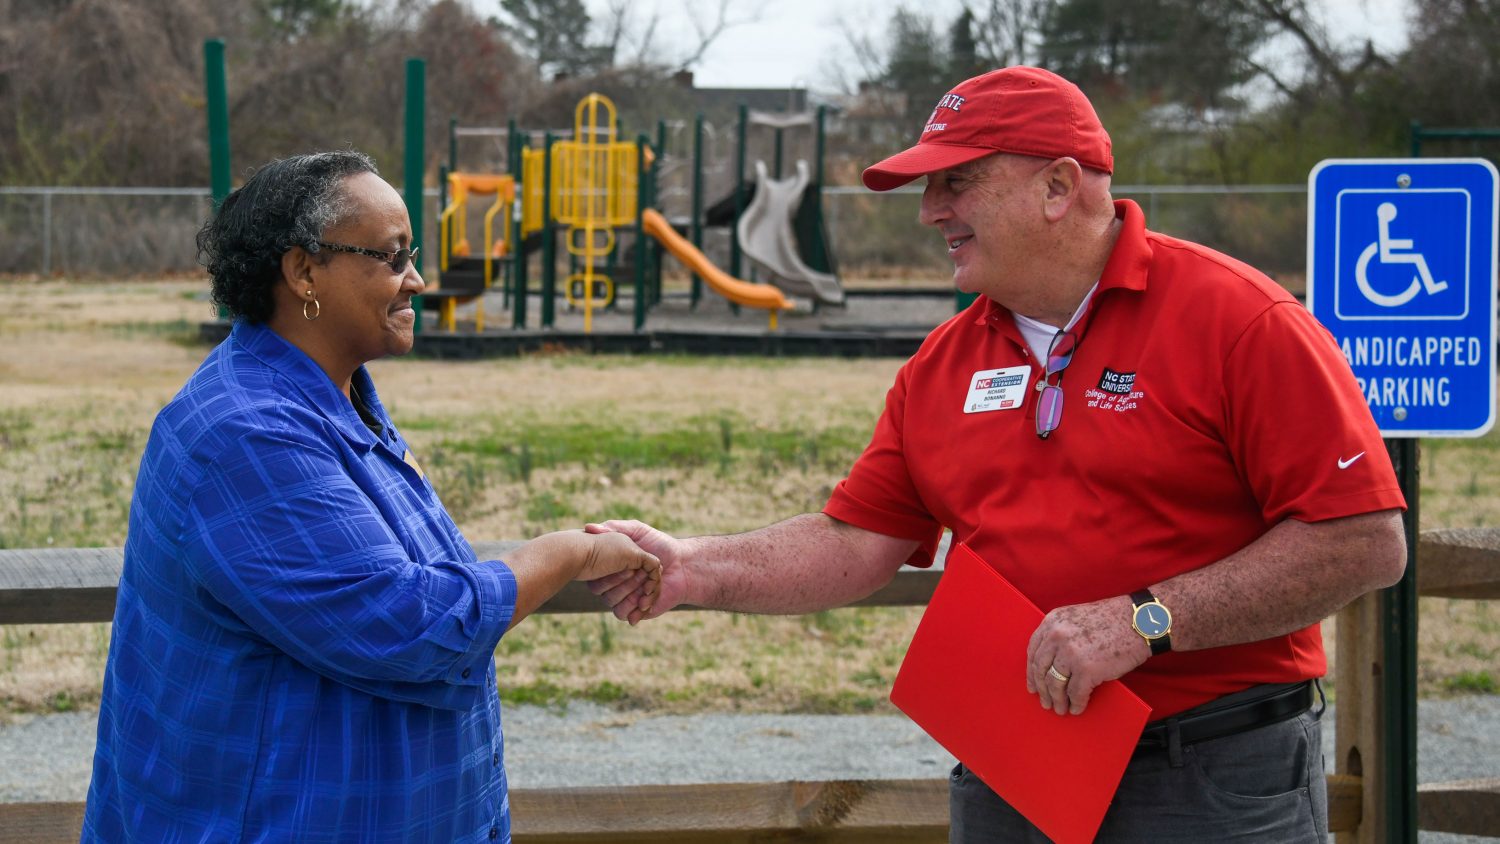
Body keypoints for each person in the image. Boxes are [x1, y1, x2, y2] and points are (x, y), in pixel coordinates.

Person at [588, 66, 1407, 841]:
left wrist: (1147, 620)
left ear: (1058, 185)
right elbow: (853, 542)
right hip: (1012, 769)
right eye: (927, 187)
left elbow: (1363, 542)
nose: (930, 210)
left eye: (957, 181)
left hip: (1211, 774)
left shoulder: (1240, 321)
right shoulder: (941, 365)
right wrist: (693, 566)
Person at [82, 151, 660, 843]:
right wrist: (569, 553)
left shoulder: (334, 400)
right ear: (303, 272)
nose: (416, 278)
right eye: (390, 257)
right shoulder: (246, 434)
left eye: (409, 253)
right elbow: (412, 625)